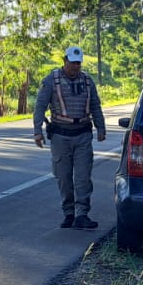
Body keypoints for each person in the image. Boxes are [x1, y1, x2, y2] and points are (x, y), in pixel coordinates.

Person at [33, 45, 107, 229]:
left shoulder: (88, 81)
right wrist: (37, 131)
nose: (75, 66)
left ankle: (82, 214)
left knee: (83, 177)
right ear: (64, 61)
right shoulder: (51, 80)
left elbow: (96, 106)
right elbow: (40, 106)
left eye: (78, 63)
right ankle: (69, 213)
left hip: (83, 135)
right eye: (72, 63)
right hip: (60, 136)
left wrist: (101, 127)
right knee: (63, 178)